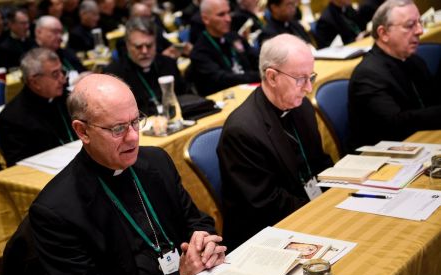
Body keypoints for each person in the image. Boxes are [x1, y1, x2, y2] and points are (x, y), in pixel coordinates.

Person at [27, 74, 226, 275]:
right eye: (118, 129)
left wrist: (203, 243)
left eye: (135, 122)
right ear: (82, 131)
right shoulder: (56, 209)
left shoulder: (157, 161)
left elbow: (195, 219)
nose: (133, 138)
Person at [217, 34, 332, 250]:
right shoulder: (242, 131)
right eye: (300, 79)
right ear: (272, 77)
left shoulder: (302, 107)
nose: (308, 88)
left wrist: (338, 196)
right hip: (266, 237)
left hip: (309, 214)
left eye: (311, 77)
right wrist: (325, 210)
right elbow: (266, 204)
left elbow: (319, 163)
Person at [347, 0, 441, 151]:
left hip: (418, 145)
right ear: (383, 33)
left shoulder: (414, 61)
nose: (420, 31)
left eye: (420, 23)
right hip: (382, 160)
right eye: (410, 25)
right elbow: (396, 124)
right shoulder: (368, 75)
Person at [0, 48, 75, 166]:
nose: (62, 79)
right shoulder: (12, 118)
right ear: (35, 82)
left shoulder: (67, 98)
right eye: (55, 74)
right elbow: (20, 167)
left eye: (62, 71)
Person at [104, 17, 187, 115]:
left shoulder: (168, 63)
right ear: (127, 45)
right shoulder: (114, 75)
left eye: (149, 45)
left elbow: (185, 97)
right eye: (138, 47)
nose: (144, 51)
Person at [189, 0, 259, 96]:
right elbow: (223, 79)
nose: (228, 19)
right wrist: (258, 75)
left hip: (252, 90)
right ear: (206, 19)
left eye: (228, 12)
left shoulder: (233, 36)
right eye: (221, 15)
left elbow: (256, 58)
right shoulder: (200, 52)